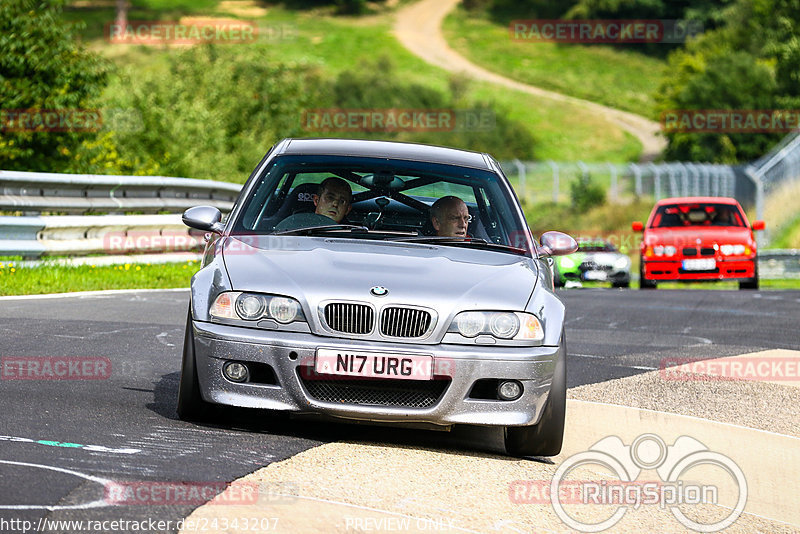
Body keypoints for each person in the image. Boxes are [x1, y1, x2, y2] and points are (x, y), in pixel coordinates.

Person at [274, 176, 352, 232]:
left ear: (347, 210)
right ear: (316, 200)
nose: (335, 204)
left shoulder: (354, 233)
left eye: (342, 201)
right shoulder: (294, 226)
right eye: (330, 198)